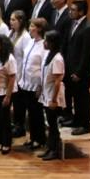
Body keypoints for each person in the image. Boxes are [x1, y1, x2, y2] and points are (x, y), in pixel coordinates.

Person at [64, 0, 90, 135]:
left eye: (73, 10)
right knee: (74, 96)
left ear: (81, 12)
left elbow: (87, 54)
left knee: (82, 98)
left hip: (81, 73)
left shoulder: (89, 28)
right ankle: (76, 120)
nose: (70, 12)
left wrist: (79, 72)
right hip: (71, 69)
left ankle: (85, 125)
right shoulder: (74, 23)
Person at [16, 18, 47, 150]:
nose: (29, 28)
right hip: (26, 83)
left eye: (32, 26)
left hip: (36, 85)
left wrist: (40, 86)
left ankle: (39, 139)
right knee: (30, 113)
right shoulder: (30, 42)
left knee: (37, 113)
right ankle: (33, 137)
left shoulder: (44, 46)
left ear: (39, 29)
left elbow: (43, 67)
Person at [37, 30, 66, 161]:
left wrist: (54, 100)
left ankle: (55, 150)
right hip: (46, 94)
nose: (44, 42)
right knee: (49, 123)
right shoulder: (48, 55)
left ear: (52, 43)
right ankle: (50, 148)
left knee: (53, 125)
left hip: (53, 97)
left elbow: (57, 81)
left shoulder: (58, 59)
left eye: (46, 40)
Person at [8, 10, 31, 137]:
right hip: (10, 72)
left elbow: (25, 58)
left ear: (21, 21)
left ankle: (20, 126)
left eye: (13, 20)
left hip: (19, 74)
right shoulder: (11, 33)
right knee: (11, 101)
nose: (11, 22)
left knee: (19, 103)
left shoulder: (25, 37)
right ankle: (14, 123)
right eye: (10, 19)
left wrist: (21, 77)